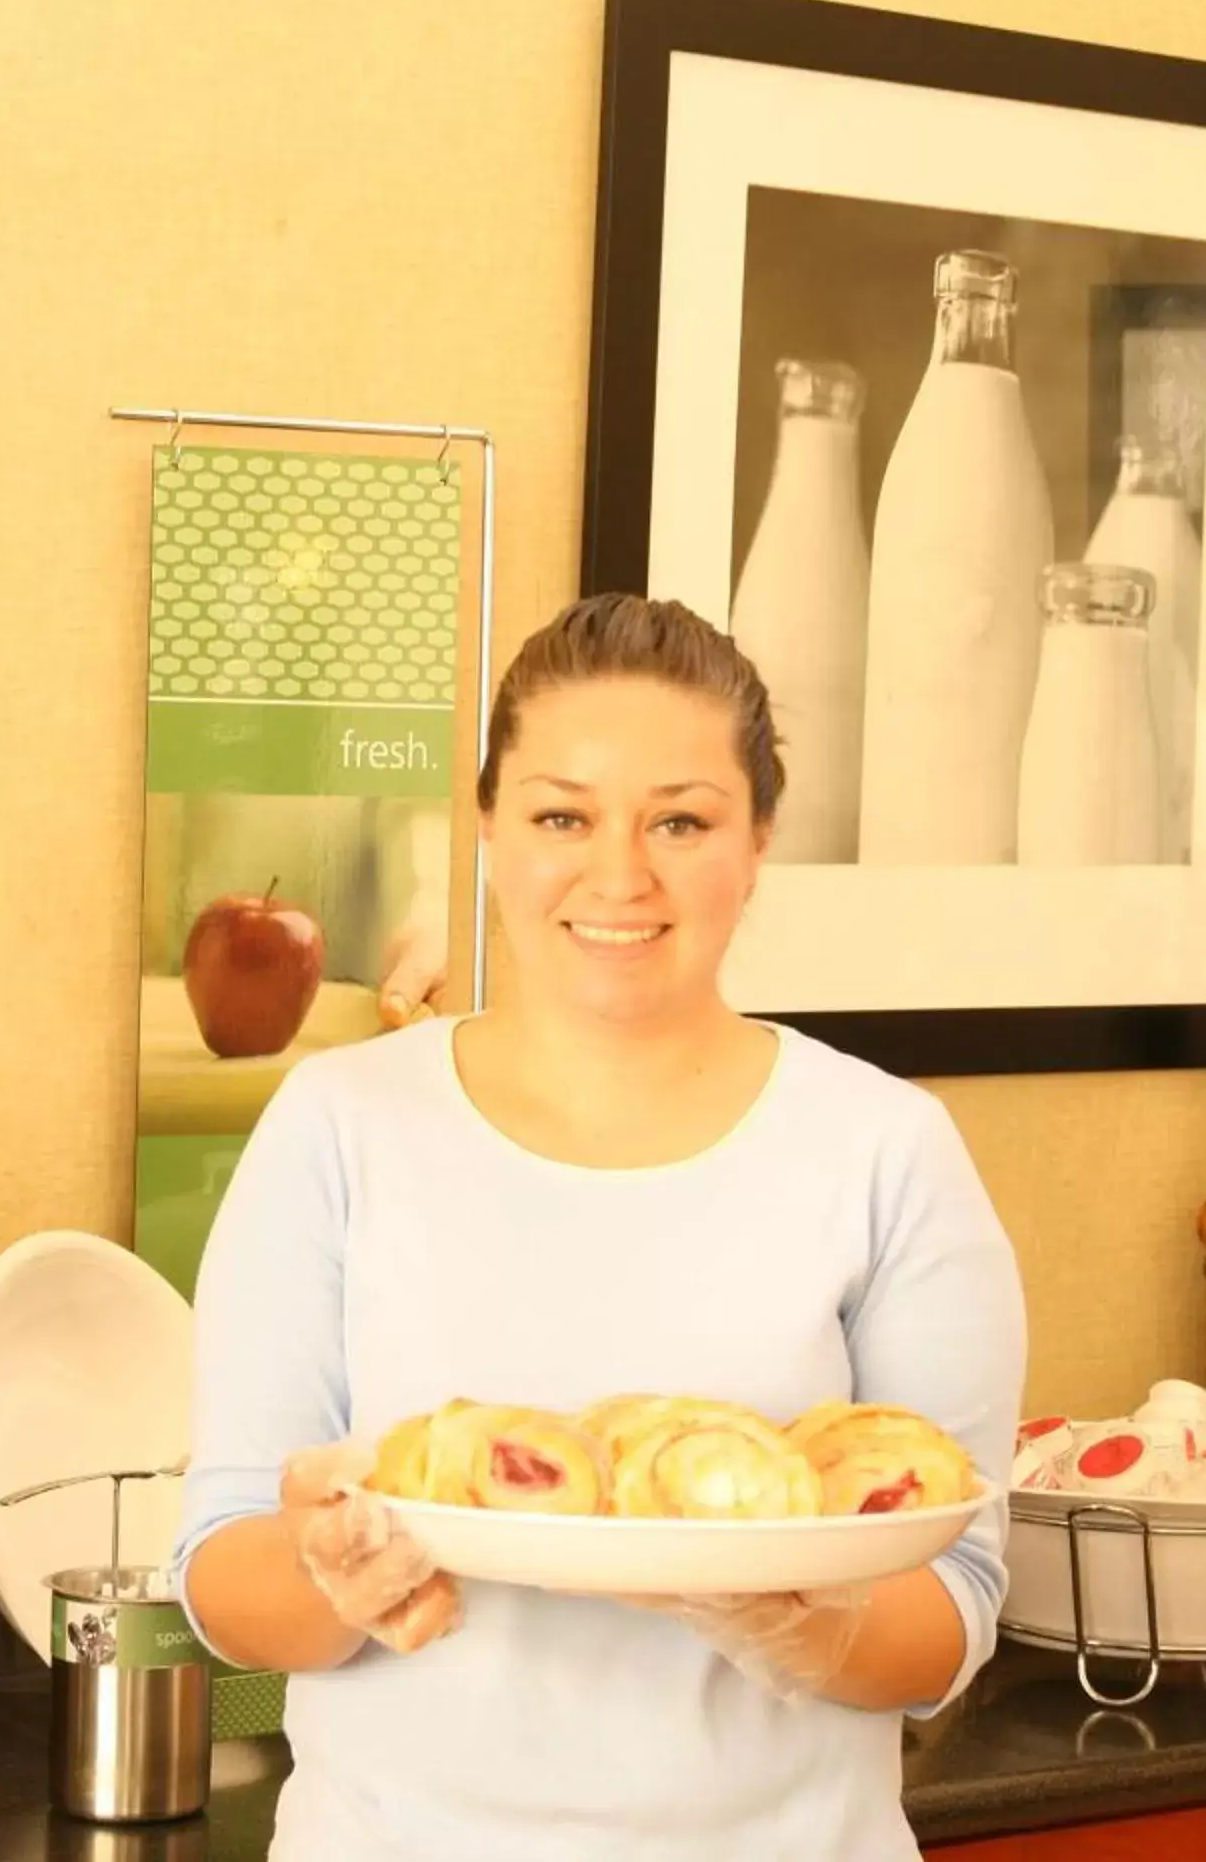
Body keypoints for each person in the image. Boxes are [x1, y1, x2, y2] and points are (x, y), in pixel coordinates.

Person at [166, 592, 1029, 1860]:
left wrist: (813, 1628)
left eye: (681, 819)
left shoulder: (885, 1147)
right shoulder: (339, 1125)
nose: (619, 875)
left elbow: (957, 1600)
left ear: (757, 842)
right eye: (562, 815)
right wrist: (331, 1574)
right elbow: (221, 1567)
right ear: (491, 833)